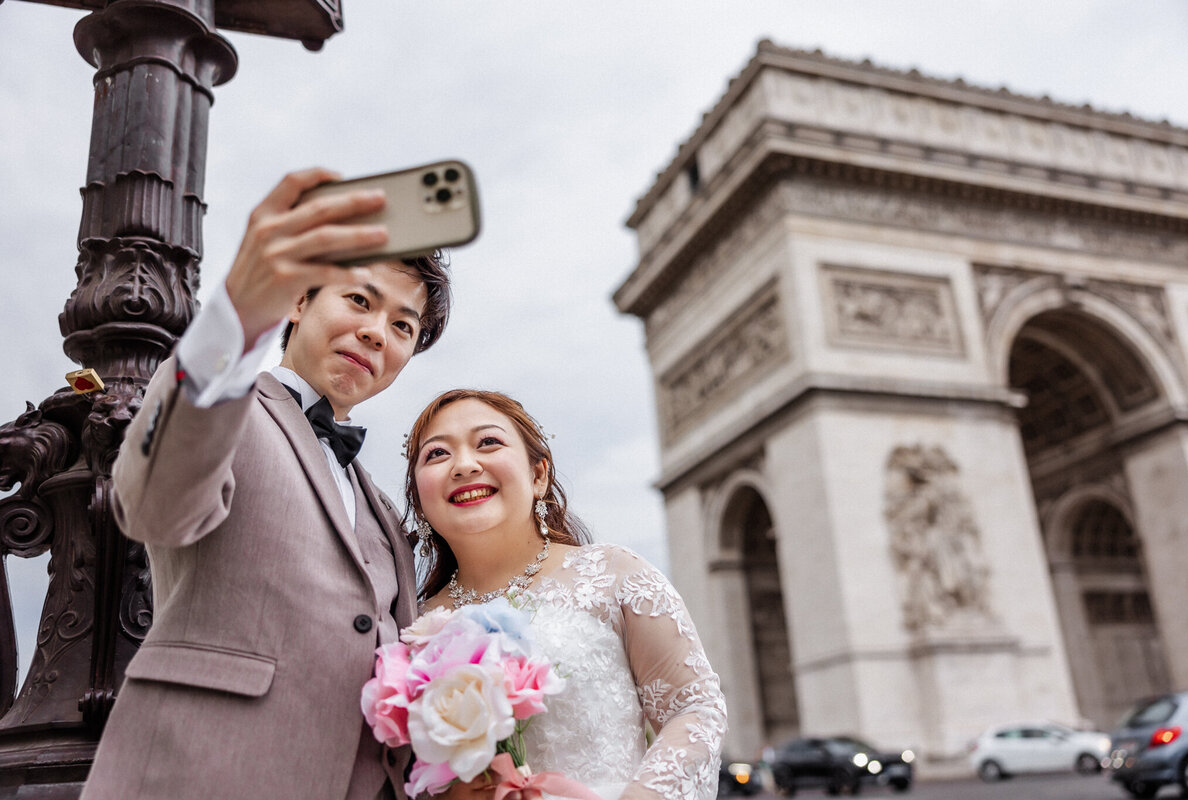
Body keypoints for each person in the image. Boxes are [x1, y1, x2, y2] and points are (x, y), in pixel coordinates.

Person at [82, 168, 451, 800]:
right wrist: (237, 316)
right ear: (300, 301)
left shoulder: (384, 507)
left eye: (402, 326)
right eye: (359, 300)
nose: (375, 332)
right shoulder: (224, 399)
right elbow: (152, 503)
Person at [403, 389, 727, 800]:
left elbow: (694, 710)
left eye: (488, 442)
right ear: (418, 495)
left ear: (538, 475)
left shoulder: (613, 575)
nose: (465, 465)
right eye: (436, 454)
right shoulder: (412, 628)